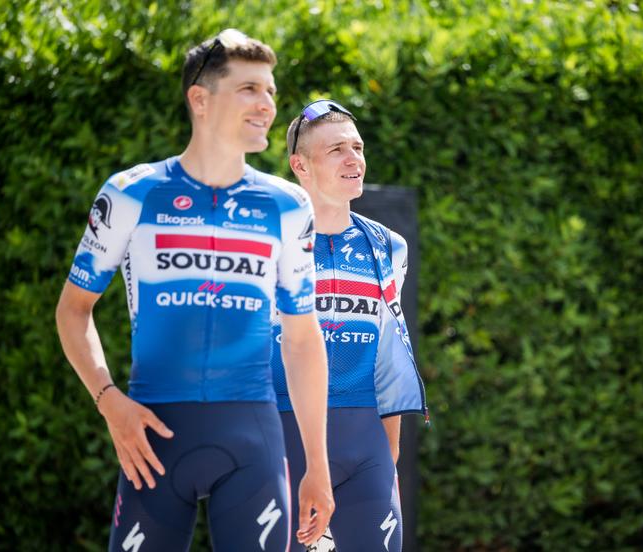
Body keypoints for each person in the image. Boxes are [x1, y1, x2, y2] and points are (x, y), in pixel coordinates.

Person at [55, 29, 334, 551]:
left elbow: (301, 340)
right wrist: (108, 400)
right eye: (250, 89)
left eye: (271, 91)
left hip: (253, 437)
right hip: (153, 437)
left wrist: (316, 465)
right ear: (200, 99)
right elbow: (73, 310)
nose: (268, 104)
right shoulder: (131, 193)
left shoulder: (289, 206)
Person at [271, 100, 428, 552]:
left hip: (366, 443)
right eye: (336, 149)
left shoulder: (388, 245)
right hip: (285, 438)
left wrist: (389, 454)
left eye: (357, 147)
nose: (353, 159)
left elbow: (389, 353)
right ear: (300, 165)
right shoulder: (271, 242)